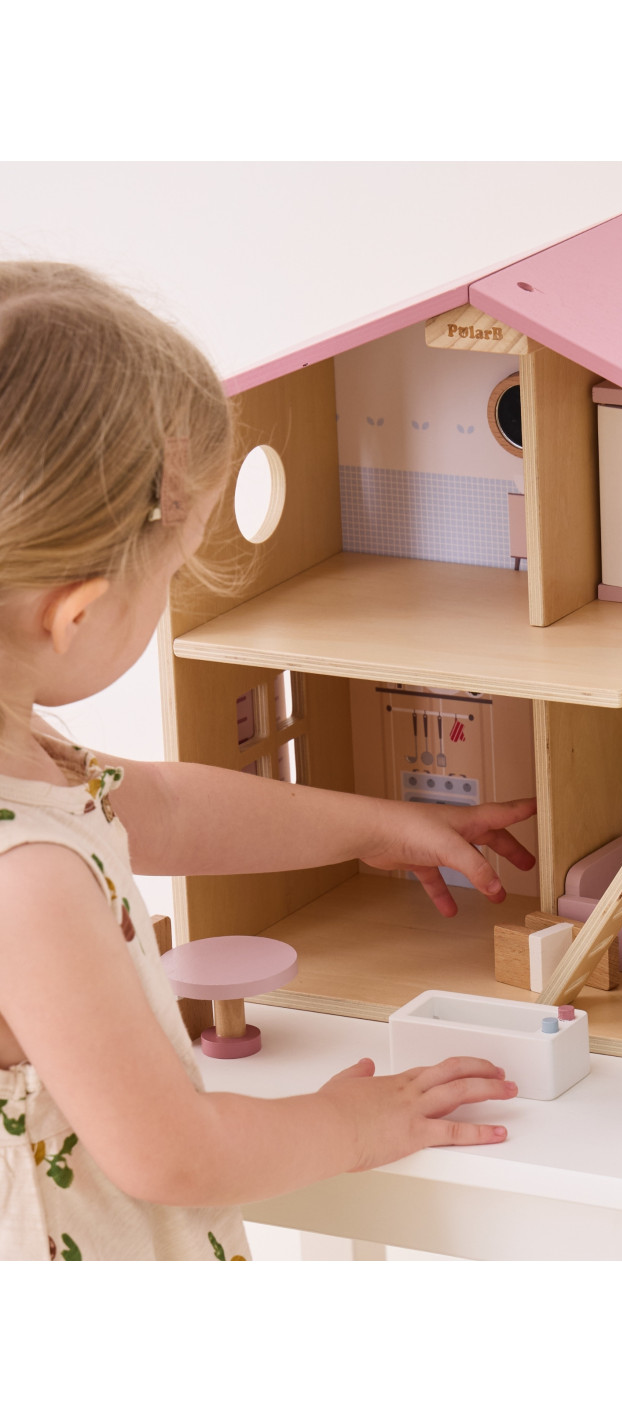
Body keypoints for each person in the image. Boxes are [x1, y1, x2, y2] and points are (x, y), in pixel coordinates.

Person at [0, 262, 536, 1261]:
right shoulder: (25, 877)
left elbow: (159, 807)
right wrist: (349, 1126)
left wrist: (377, 825)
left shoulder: (22, 760)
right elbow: (173, 1154)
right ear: (73, 614)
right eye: (172, 574)